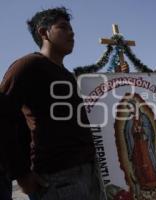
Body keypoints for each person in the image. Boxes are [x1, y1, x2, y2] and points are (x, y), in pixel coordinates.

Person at [0, 7, 105, 199]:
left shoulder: (67, 75)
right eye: (63, 27)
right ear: (43, 32)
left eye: (71, 28)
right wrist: (21, 173)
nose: (72, 33)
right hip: (56, 178)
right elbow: (3, 118)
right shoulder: (27, 66)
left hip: (89, 173)